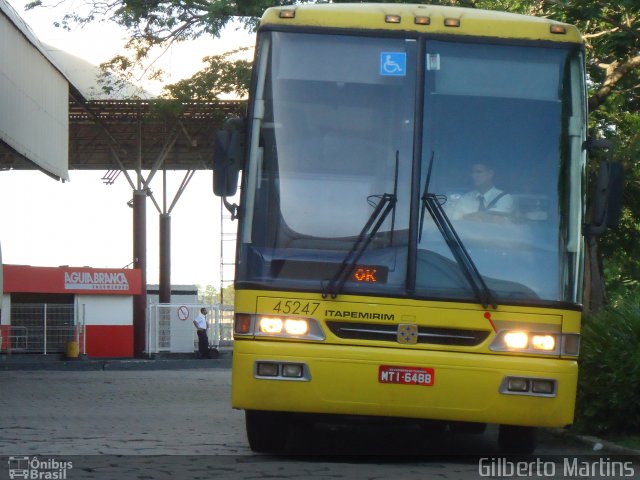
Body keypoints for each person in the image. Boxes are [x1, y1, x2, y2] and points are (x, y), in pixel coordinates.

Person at [449, 162, 514, 222]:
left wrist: (467, 217)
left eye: (479, 172)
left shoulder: (504, 198)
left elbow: (499, 221)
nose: (474, 175)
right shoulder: (464, 199)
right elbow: (455, 223)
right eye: (472, 172)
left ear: (490, 174)